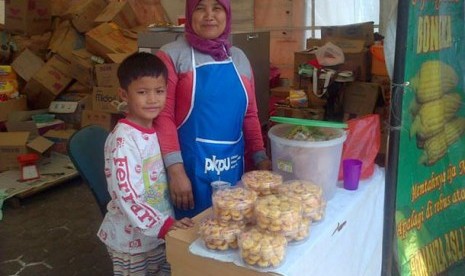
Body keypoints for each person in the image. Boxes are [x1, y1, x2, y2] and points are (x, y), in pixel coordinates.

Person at [154, 0, 272, 219]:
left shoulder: (239, 57)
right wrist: (176, 171)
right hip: (189, 172)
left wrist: (260, 157)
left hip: (232, 168)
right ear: (190, 14)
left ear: (227, 15)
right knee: (191, 240)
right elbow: (163, 116)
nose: (209, 15)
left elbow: (250, 114)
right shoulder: (172, 54)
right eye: (200, 8)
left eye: (217, 8)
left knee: (229, 231)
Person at [97, 52, 194, 276]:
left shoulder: (154, 129)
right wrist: (163, 225)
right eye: (142, 92)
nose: (152, 99)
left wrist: (166, 224)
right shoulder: (123, 140)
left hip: (157, 234)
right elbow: (126, 194)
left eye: (159, 91)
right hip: (132, 243)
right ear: (124, 94)